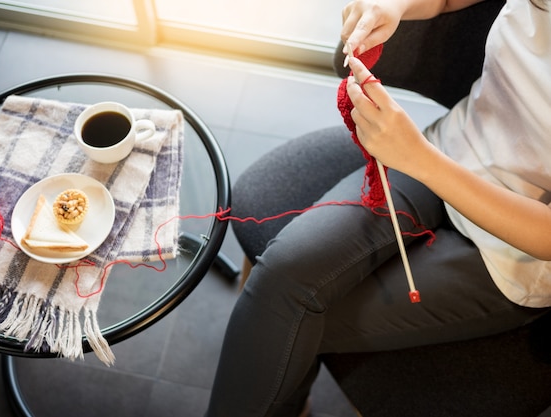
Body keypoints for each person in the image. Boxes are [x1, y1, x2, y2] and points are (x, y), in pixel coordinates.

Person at [206, 0, 551, 415]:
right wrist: (396, 4)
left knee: (280, 328)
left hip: (513, 252)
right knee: (279, 280)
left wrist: (419, 159)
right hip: (449, 148)